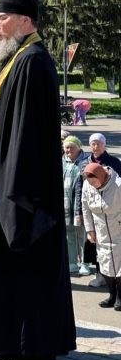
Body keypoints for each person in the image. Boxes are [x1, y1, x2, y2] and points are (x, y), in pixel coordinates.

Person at [0, 0, 76, 360]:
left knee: (28, 276)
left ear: (25, 20)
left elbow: (25, 138)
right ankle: (16, 349)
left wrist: (13, 196)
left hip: (22, 196)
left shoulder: (32, 62)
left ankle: (32, 354)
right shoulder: (18, 60)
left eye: (2, 17)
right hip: (5, 190)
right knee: (15, 279)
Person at [82, 163, 121, 311]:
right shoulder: (87, 185)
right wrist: (90, 230)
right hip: (100, 231)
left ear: (101, 176)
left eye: (95, 183)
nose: (93, 186)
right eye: (90, 183)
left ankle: (120, 297)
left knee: (119, 266)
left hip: (118, 230)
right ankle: (111, 295)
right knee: (105, 265)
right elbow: (85, 208)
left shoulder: (118, 185)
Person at [85, 133, 121, 287]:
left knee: (115, 250)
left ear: (104, 145)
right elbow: (82, 188)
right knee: (96, 247)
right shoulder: (85, 162)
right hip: (94, 211)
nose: (95, 147)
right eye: (93, 144)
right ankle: (100, 275)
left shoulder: (113, 162)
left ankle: (116, 282)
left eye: (98, 143)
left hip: (112, 211)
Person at [61, 135, 90, 275]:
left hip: (81, 205)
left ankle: (85, 263)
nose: (69, 150)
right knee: (69, 234)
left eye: (72, 147)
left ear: (78, 148)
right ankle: (72, 262)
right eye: (66, 147)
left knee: (83, 234)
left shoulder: (86, 161)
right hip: (66, 204)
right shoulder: (62, 161)